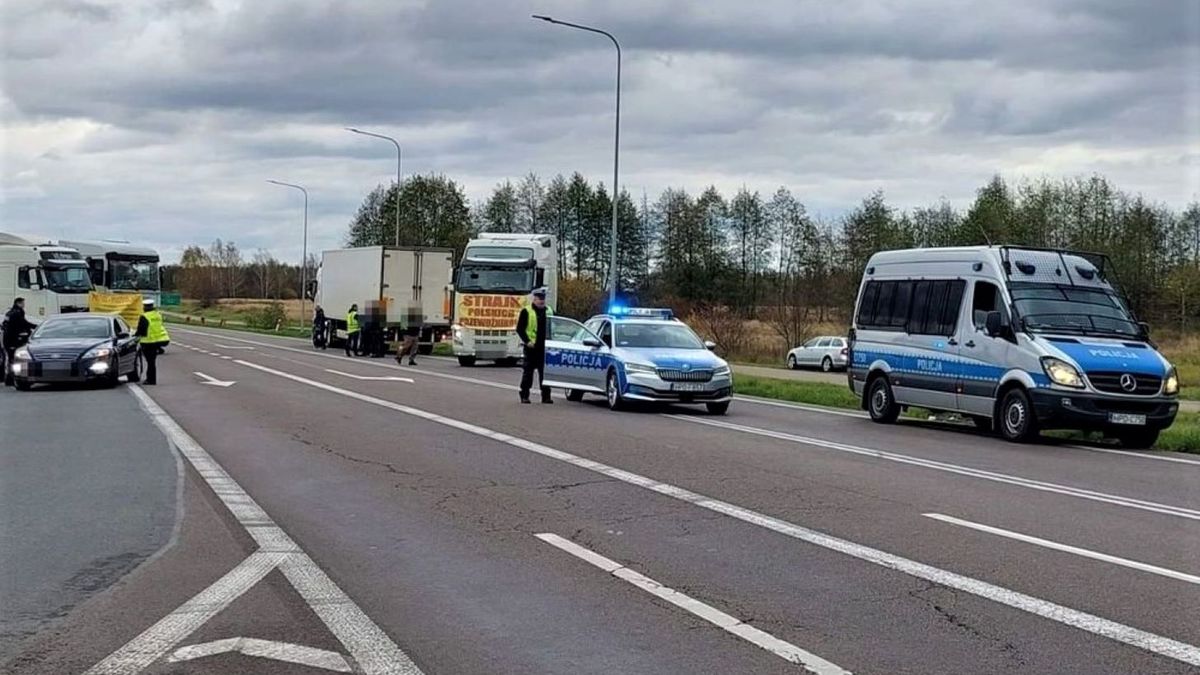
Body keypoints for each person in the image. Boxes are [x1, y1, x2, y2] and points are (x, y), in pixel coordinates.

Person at [515, 287, 553, 404]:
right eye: (539, 299)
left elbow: (554, 327)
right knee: (528, 373)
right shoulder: (526, 311)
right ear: (534, 299)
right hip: (531, 348)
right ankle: (524, 395)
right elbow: (520, 329)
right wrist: (527, 341)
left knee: (545, 374)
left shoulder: (549, 311)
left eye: (543, 299)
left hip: (544, 348)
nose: (541, 301)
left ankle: (546, 396)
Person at [3, 297, 37, 387]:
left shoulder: (9, 313)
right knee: (17, 359)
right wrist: (35, 328)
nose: (24, 305)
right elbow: (23, 324)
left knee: (10, 359)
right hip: (14, 340)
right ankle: (14, 378)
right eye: (23, 303)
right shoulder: (17, 313)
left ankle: (8, 378)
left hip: (7, 339)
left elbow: (4, 325)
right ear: (18, 303)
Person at [136, 298, 170, 386]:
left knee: (150, 362)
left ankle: (150, 380)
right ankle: (152, 379)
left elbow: (141, 330)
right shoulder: (158, 315)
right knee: (152, 362)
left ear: (144, 307)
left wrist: (135, 335)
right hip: (157, 341)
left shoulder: (144, 316)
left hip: (147, 342)